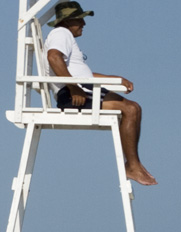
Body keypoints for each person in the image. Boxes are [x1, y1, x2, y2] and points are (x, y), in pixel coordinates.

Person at [43, 0, 156, 185]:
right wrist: (73, 88)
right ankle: (133, 167)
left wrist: (115, 78)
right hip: (73, 94)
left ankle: (133, 164)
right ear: (67, 21)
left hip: (82, 88)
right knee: (131, 110)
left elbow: (83, 74)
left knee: (134, 108)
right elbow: (53, 57)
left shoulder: (65, 37)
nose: (84, 24)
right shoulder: (60, 33)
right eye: (79, 20)